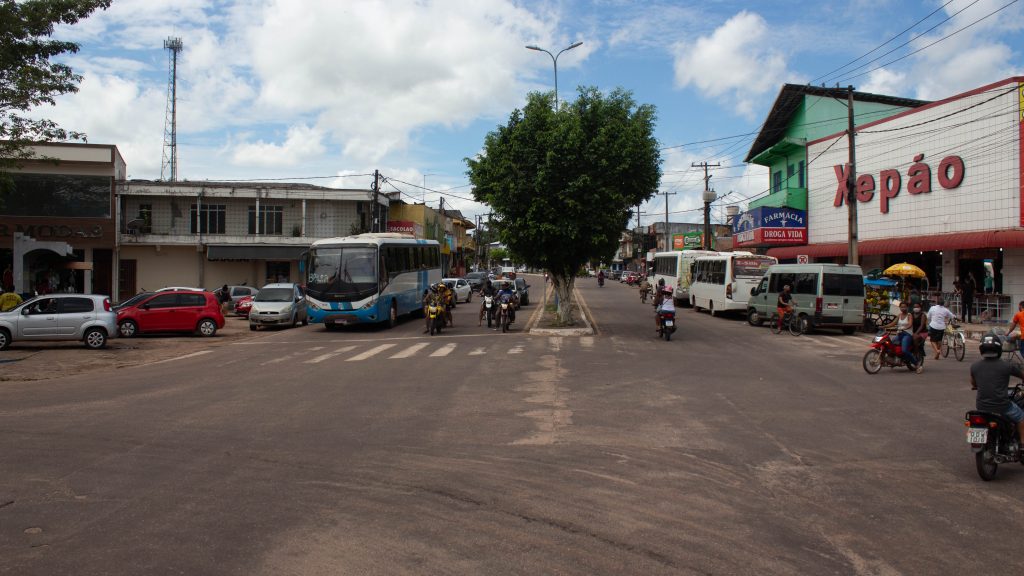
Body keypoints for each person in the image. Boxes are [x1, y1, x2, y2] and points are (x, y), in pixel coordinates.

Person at [971, 334, 1024, 450]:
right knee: (1021, 417)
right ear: (999, 349)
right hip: (1002, 406)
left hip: (981, 407)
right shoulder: (1007, 365)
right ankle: (1022, 445)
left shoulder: (974, 366)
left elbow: (974, 384)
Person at [884, 302, 920, 373]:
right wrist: (884, 326)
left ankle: (917, 364)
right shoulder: (899, 315)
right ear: (899, 308)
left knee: (904, 350)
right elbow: (893, 323)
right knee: (890, 345)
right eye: (901, 307)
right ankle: (894, 360)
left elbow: (910, 324)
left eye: (904, 307)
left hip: (907, 335)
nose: (903, 308)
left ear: (907, 307)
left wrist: (904, 328)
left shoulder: (909, 315)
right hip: (899, 334)